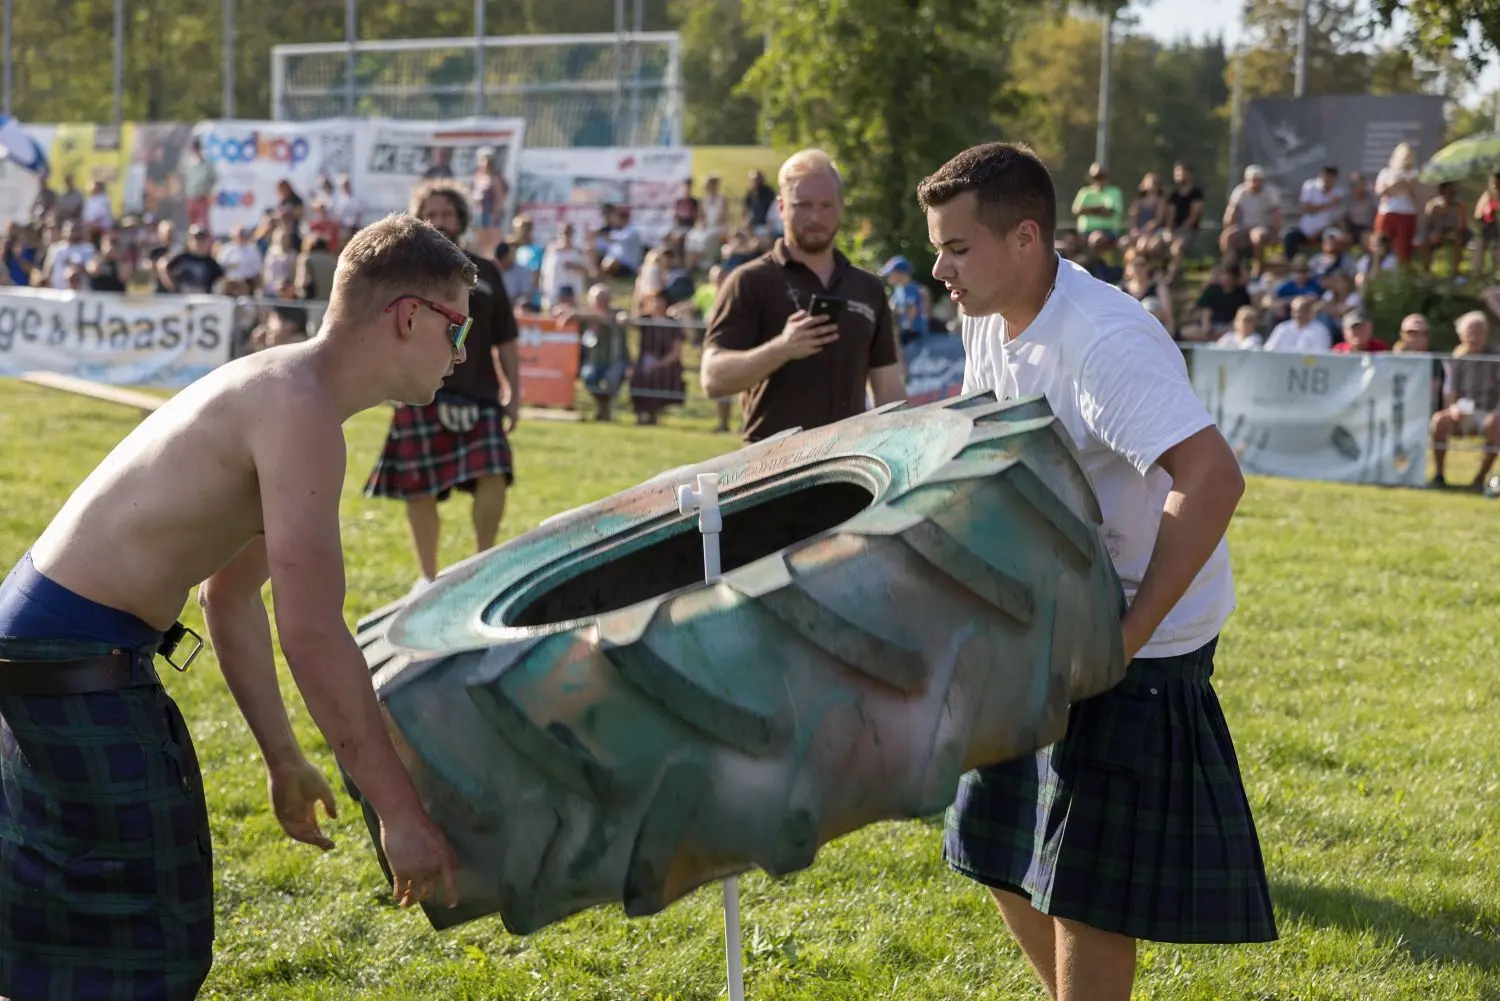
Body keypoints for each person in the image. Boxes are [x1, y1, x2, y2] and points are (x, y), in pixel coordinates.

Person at [0, 213, 468, 1000]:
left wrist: (283, 758)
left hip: (56, 648)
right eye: (459, 328)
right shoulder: (297, 406)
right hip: (69, 657)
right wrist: (402, 814)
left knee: (85, 938)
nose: (462, 354)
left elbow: (232, 591)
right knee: (141, 948)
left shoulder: (292, 392)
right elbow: (313, 631)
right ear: (409, 316)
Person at [917, 141, 1276, 1001]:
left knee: (1082, 891)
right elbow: (990, 441)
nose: (939, 269)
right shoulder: (988, 312)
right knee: (995, 846)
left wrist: (1123, 639)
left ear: (1026, 239)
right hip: (1045, 614)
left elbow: (1213, 476)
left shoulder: (1105, 341)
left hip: (1139, 640)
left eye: (956, 248)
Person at [365, 181, 521, 592]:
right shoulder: (403, 272)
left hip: (480, 392)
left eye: (448, 213)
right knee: (419, 485)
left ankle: (482, 564)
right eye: (430, 213)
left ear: (461, 219)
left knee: (494, 474)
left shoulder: (485, 272)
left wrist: (514, 392)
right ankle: (428, 578)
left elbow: (507, 338)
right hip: (419, 390)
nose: (439, 221)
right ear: (418, 219)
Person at [701, 148, 906, 443]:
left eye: (826, 205)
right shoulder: (749, 281)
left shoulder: (868, 288)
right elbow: (713, 379)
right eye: (803, 205)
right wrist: (781, 348)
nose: (815, 216)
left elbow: (888, 388)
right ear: (782, 207)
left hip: (851, 468)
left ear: (841, 207)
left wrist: (902, 448)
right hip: (770, 470)